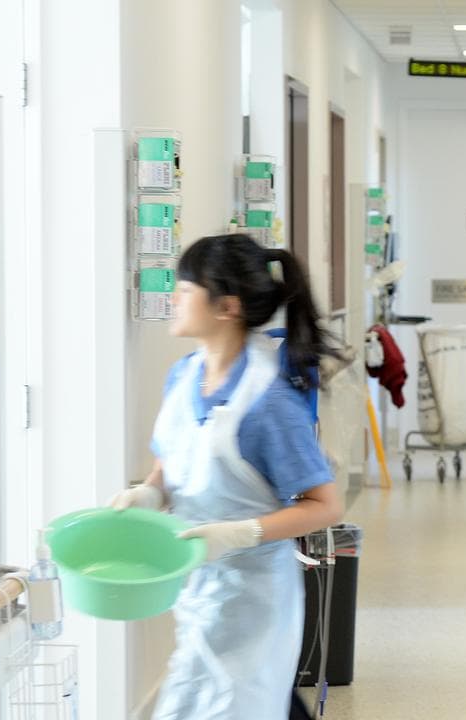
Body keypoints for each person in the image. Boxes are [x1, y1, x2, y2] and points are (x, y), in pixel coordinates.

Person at [110, 234, 345, 719]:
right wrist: (150, 493)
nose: (174, 297)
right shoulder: (183, 377)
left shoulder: (267, 401)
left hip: (255, 600)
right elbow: (171, 463)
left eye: (187, 288)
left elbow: (326, 505)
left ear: (227, 307)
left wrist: (242, 532)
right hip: (199, 592)